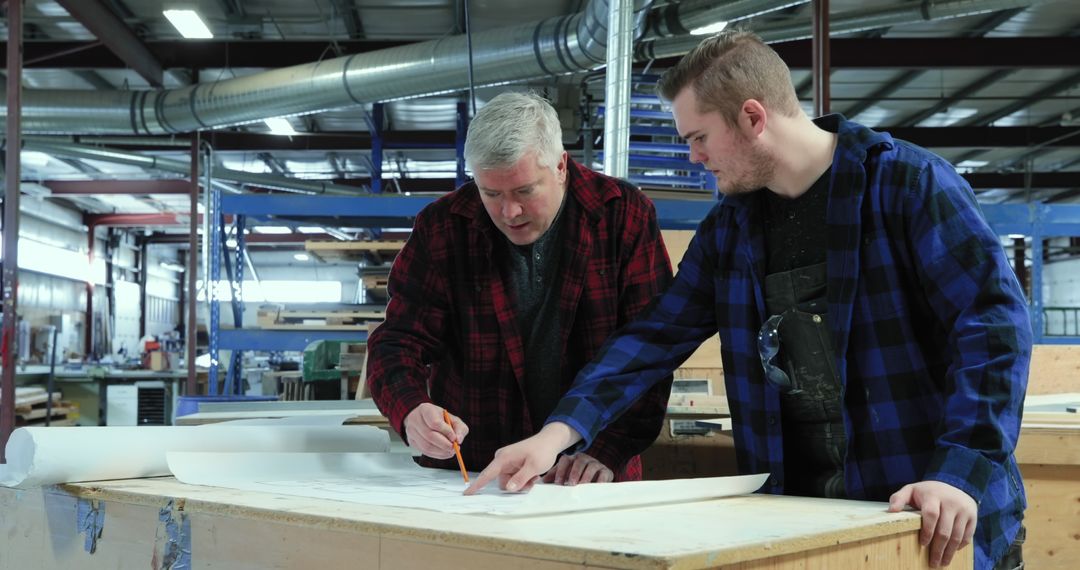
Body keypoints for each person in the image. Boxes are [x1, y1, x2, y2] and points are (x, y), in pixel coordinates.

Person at [466, 31, 1031, 570]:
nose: (692, 157)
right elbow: (653, 337)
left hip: (930, 516)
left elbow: (993, 330)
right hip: (808, 522)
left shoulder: (908, 187)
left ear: (753, 118)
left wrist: (960, 472)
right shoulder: (730, 230)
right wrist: (558, 433)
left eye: (698, 138)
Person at [366, 91, 674, 487]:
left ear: (561, 165)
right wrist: (411, 410)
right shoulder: (443, 228)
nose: (509, 212)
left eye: (525, 191)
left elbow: (649, 352)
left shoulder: (623, 215)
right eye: (491, 194)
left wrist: (607, 450)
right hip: (473, 475)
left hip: (587, 473)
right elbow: (397, 343)